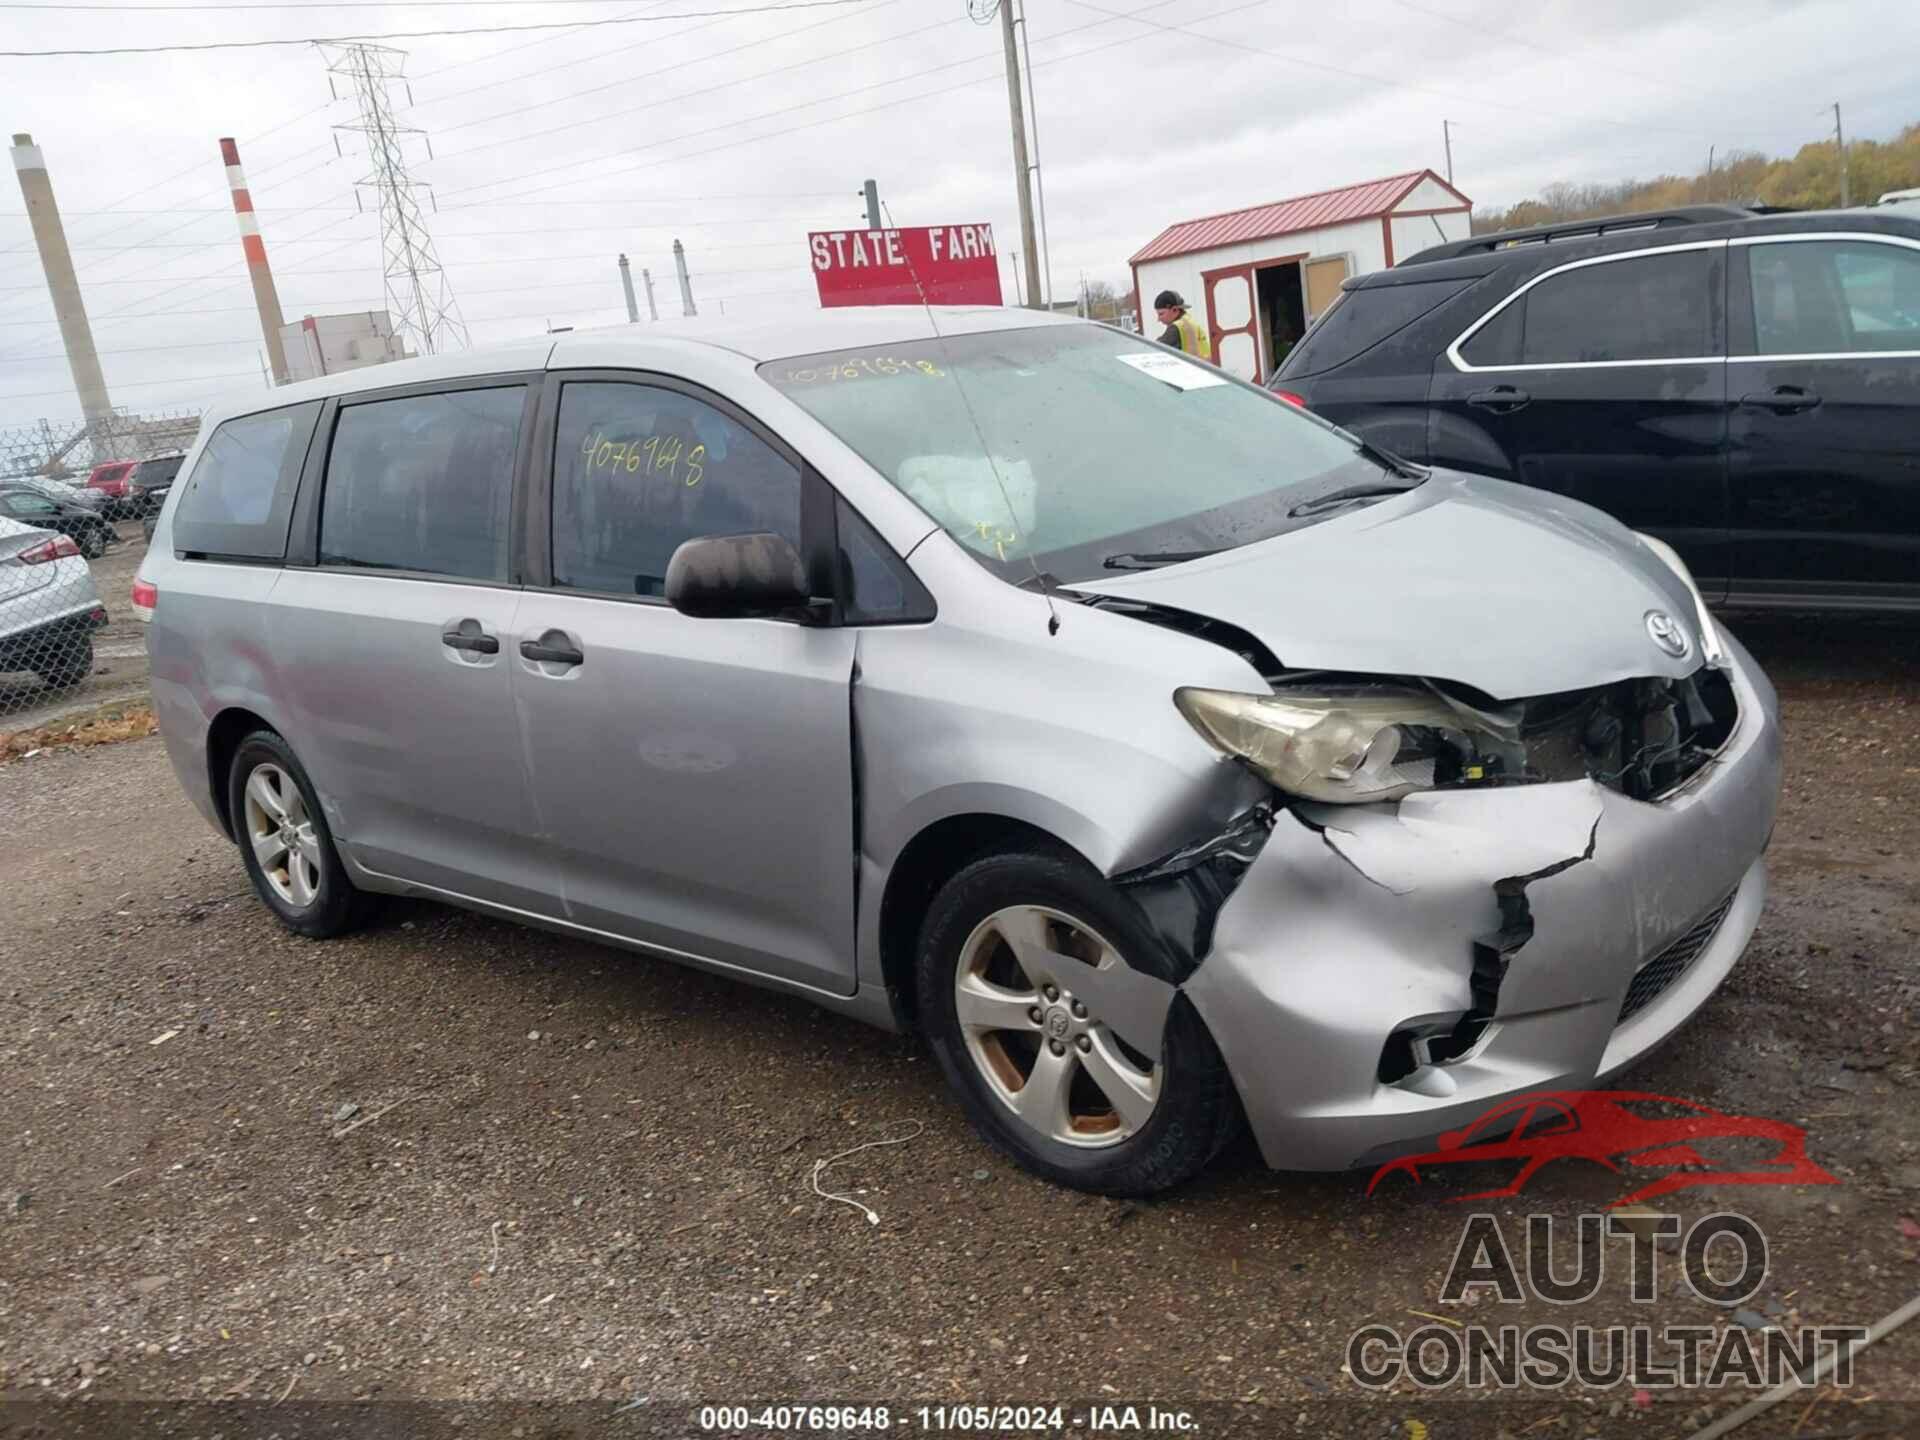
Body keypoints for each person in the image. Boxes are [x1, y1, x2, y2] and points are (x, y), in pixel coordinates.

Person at [1152, 290, 1212, 361]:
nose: (1158, 319)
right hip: (1205, 368)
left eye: (1161, 314)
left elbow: (1154, 349)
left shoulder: (1176, 327)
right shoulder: (1188, 321)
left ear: (1175, 310)